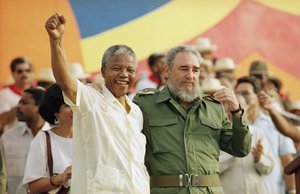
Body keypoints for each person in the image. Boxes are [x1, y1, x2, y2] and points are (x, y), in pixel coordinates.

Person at [44, 13, 149, 194]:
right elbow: (64, 81)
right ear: (103, 71)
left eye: (130, 70)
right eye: (116, 68)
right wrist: (56, 41)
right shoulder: (90, 99)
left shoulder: (136, 112)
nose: (124, 74)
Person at [133, 45, 251, 194]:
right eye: (184, 69)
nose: (190, 75)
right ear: (167, 71)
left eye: (195, 70)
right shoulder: (146, 104)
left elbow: (241, 149)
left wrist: (237, 111)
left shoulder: (214, 108)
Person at [235, 76, 296, 194]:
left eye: (246, 93)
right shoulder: (232, 124)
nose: (241, 97)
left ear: (257, 96)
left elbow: (287, 160)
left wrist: (292, 190)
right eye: (238, 93)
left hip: (271, 190)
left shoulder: (275, 123)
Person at [219, 94, 274, 194]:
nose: (232, 111)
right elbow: (214, 168)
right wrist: (235, 150)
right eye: (229, 108)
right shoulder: (217, 135)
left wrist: (259, 159)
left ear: (246, 111)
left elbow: (269, 168)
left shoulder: (258, 134)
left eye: (237, 108)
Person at [23, 84, 72, 194]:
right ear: (55, 112)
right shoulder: (43, 139)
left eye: (76, 103)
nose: (74, 108)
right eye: (67, 105)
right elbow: (33, 187)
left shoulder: (90, 137)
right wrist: (59, 178)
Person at [0, 88, 48, 194]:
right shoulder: (7, 138)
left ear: (39, 107)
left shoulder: (55, 136)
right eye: (19, 102)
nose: (19, 106)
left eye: (24, 103)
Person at [0, 57, 35, 134]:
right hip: (13, 140)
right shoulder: (5, 94)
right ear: (13, 74)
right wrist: (21, 104)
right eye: (20, 71)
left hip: (35, 139)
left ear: (32, 73)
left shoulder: (39, 92)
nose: (24, 74)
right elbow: (2, 120)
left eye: (27, 71)